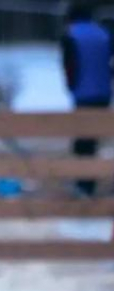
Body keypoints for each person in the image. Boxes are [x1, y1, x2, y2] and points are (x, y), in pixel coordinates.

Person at [61, 3, 113, 196]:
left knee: (83, 141)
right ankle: (88, 182)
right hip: (103, 94)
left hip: (83, 95)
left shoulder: (71, 35)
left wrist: (71, 86)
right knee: (93, 138)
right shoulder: (104, 33)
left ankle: (84, 184)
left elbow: (69, 65)